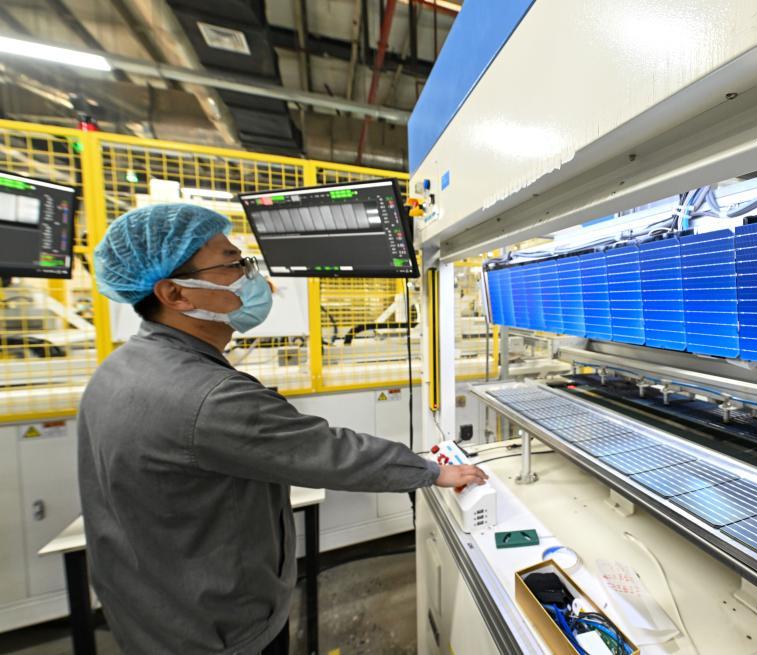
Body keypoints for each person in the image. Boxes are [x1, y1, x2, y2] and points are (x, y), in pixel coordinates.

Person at [78, 203, 487, 655]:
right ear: (175, 294)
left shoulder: (119, 367)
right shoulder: (208, 396)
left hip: (150, 606)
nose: (251, 277)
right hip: (216, 629)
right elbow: (328, 452)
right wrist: (432, 470)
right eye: (233, 264)